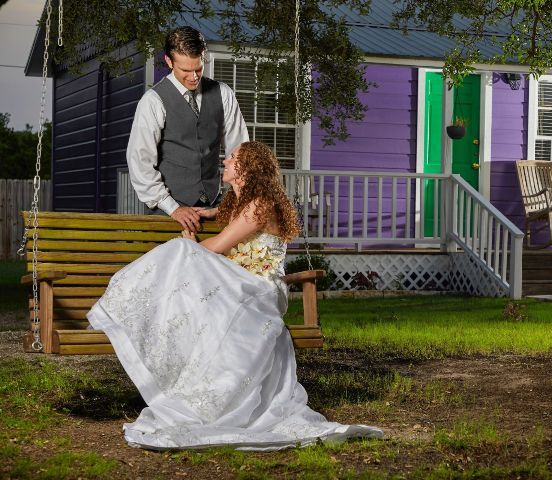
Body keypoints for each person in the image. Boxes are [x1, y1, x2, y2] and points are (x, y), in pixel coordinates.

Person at [87, 141, 382, 451]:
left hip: (259, 288)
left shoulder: (260, 205)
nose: (225, 161)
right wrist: (206, 215)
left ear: (246, 170)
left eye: (232, 158)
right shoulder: (243, 203)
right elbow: (225, 221)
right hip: (240, 283)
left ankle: (123, 303)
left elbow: (217, 246)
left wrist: (188, 245)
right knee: (189, 285)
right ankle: (152, 329)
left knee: (179, 252)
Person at [126, 26, 249, 233]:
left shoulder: (224, 94)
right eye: (185, 70)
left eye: (198, 68)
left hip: (212, 211)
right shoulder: (153, 101)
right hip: (168, 216)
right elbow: (140, 162)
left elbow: (241, 153)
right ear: (168, 61)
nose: (193, 76)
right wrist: (173, 208)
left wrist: (229, 203)